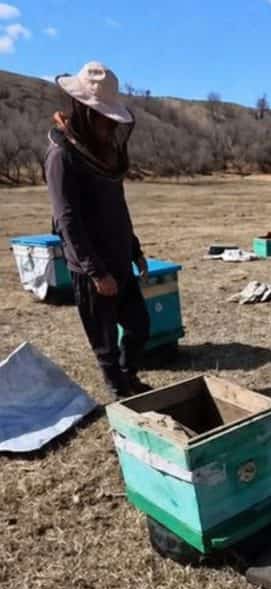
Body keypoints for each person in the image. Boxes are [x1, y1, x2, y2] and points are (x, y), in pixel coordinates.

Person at [45, 61, 151, 399]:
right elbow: (67, 220)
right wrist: (95, 272)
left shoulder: (106, 154)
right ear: (84, 111)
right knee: (104, 340)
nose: (108, 125)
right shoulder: (61, 157)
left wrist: (134, 249)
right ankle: (121, 393)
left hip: (119, 257)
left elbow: (118, 208)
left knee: (139, 326)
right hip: (93, 268)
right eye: (102, 117)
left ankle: (129, 376)